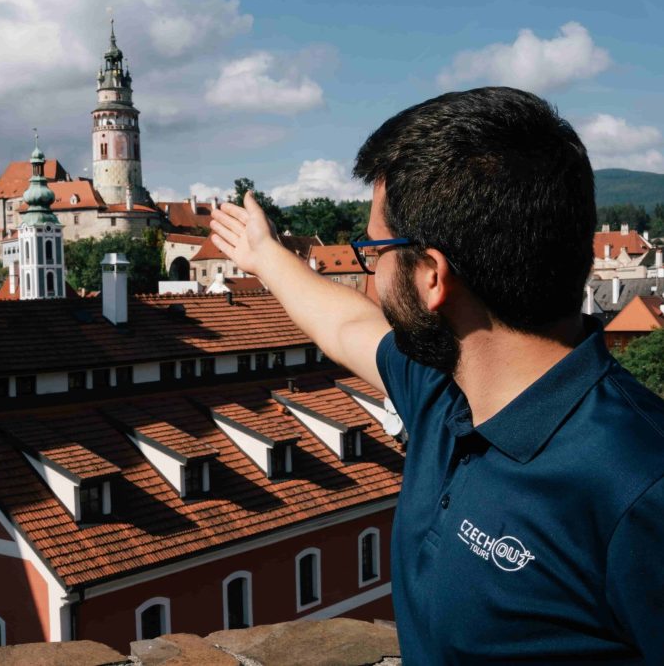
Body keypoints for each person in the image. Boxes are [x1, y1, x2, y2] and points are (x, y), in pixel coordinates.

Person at [210, 87, 664, 664]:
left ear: (430, 277)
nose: (370, 271)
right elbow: (348, 325)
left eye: (375, 249)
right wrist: (265, 254)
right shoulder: (445, 390)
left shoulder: (641, 488)